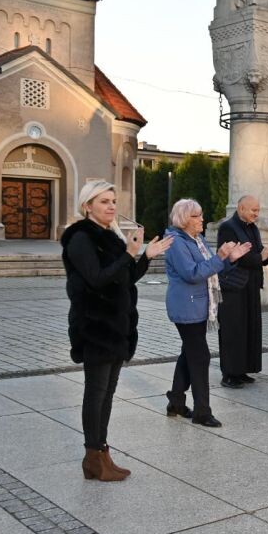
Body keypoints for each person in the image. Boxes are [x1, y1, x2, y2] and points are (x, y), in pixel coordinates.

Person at [62, 181, 172, 482]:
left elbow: (124, 279)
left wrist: (145, 256)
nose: (111, 207)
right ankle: (92, 457)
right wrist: (129, 253)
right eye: (104, 202)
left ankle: (102, 453)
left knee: (107, 394)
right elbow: (97, 279)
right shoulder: (80, 237)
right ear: (88, 206)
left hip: (116, 327)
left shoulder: (110, 236)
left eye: (113, 201)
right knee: (95, 394)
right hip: (95, 326)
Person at [165, 199, 251, 428]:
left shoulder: (196, 239)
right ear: (184, 219)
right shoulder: (175, 242)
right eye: (197, 216)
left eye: (201, 215)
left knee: (189, 353)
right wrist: (221, 257)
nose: (202, 219)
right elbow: (192, 273)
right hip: (186, 306)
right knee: (200, 356)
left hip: (200, 305)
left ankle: (176, 401)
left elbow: (212, 268)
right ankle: (202, 412)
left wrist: (230, 259)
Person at [217, 196, 268, 389]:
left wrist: (266, 255)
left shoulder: (253, 228)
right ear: (241, 208)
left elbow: (257, 254)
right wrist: (260, 256)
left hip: (251, 285)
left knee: (249, 328)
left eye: (258, 210)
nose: (256, 214)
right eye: (253, 210)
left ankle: (242, 370)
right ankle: (229, 374)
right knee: (233, 329)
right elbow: (235, 258)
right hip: (234, 286)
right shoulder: (228, 227)